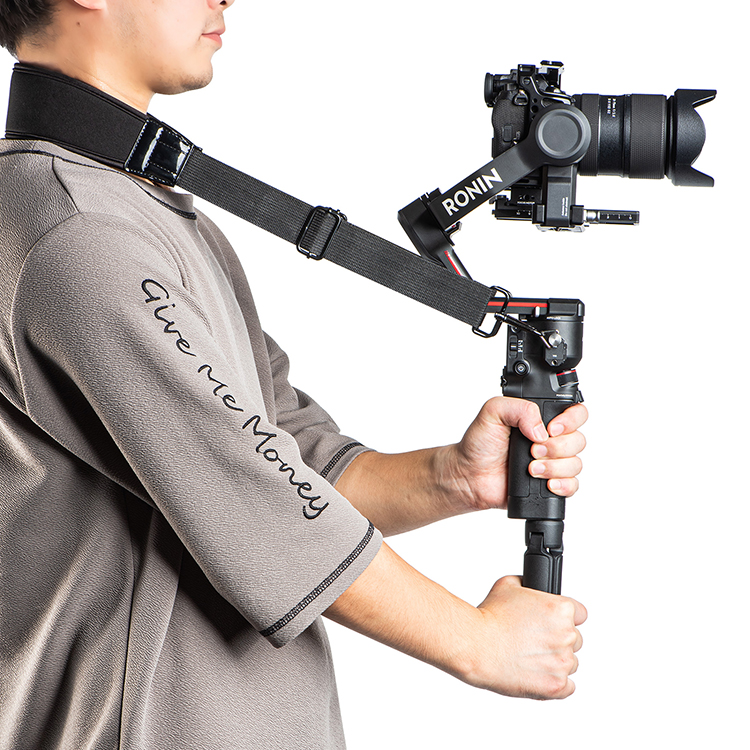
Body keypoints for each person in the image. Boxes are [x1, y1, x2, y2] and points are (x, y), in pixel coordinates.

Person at [0, 1, 588, 748]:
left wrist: (451, 478)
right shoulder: (77, 229)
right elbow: (252, 498)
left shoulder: (134, 208)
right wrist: (479, 641)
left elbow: (284, 452)